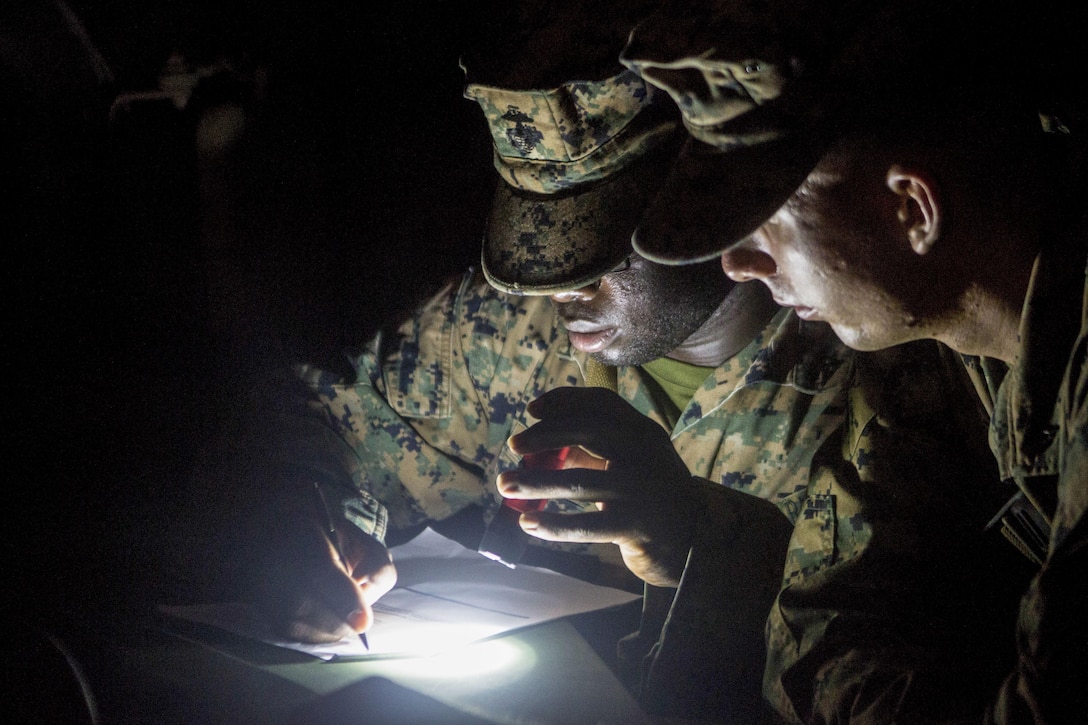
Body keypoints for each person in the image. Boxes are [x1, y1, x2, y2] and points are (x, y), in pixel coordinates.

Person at [181, 3, 854, 719]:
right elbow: (310, 420)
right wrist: (292, 517)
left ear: (705, 200)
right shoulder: (510, 327)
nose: (558, 281)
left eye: (601, 243)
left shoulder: (867, 382)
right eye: (541, 235)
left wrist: (701, 542)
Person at [609, 0, 1087, 721]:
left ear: (913, 211)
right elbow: (829, 618)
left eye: (768, 217)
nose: (737, 263)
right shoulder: (944, 348)